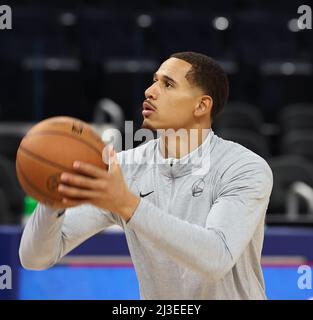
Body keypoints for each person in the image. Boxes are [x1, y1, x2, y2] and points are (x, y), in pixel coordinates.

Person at [19, 52, 273, 299]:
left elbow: (216, 258)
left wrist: (126, 204)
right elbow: (35, 259)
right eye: (154, 80)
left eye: (168, 84)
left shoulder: (243, 167)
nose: (150, 91)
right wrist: (53, 199)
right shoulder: (126, 168)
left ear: (201, 105)